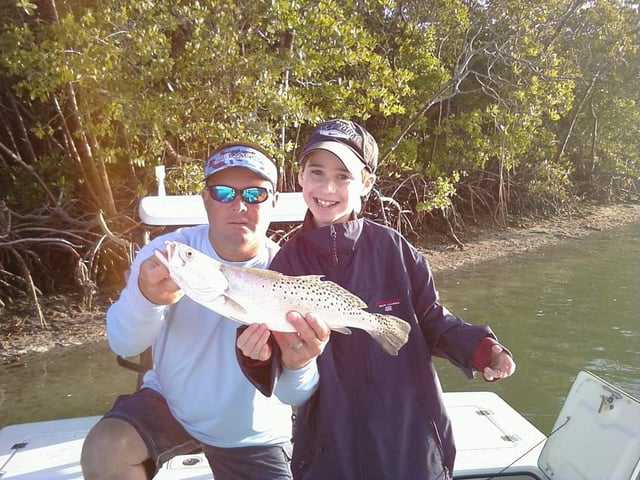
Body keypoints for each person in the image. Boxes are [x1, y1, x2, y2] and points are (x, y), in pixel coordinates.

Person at [237, 119, 516, 480]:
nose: (327, 187)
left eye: (343, 176)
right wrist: (255, 357)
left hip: (410, 444)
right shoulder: (286, 262)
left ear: (366, 183)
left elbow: (431, 319)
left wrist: (481, 349)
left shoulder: (394, 249)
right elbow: (277, 350)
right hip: (329, 447)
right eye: (317, 172)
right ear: (301, 177)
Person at [81, 142, 306, 480]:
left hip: (253, 431)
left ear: (273, 202)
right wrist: (146, 298)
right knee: (105, 449)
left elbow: (299, 391)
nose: (239, 205)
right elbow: (124, 344)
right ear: (205, 200)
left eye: (255, 195)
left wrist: (299, 361)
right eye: (223, 192)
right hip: (170, 404)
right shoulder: (167, 254)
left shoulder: (291, 271)